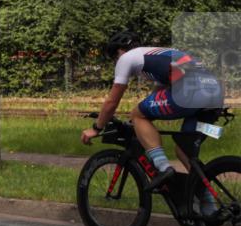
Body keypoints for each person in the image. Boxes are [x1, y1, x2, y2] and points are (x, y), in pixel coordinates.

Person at [81, 30, 225, 216]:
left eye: (114, 58)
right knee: (184, 152)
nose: (116, 62)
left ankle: (164, 168)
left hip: (191, 92)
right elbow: (156, 99)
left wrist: (96, 128)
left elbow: (112, 102)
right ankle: (210, 209)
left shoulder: (127, 58)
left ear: (120, 51)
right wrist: (137, 123)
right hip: (214, 93)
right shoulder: (158, 55)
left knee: (137, 114)